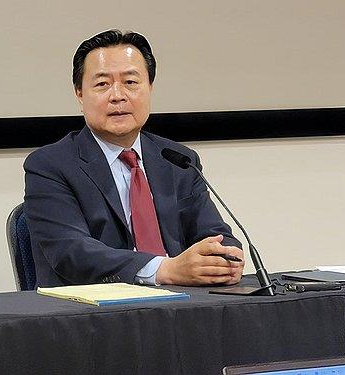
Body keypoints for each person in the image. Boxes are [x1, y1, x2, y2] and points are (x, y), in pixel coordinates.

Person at [24, 29, 244, 287]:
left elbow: (215, 234)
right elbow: (71, 253)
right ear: (80, 94)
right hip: (94, 316)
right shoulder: (49, 165)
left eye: (130, 82)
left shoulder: (178, 160)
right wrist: (164, 270)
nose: (118, 95)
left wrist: (222, 258)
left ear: (149, 88)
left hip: (181, 310)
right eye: (102, 84)